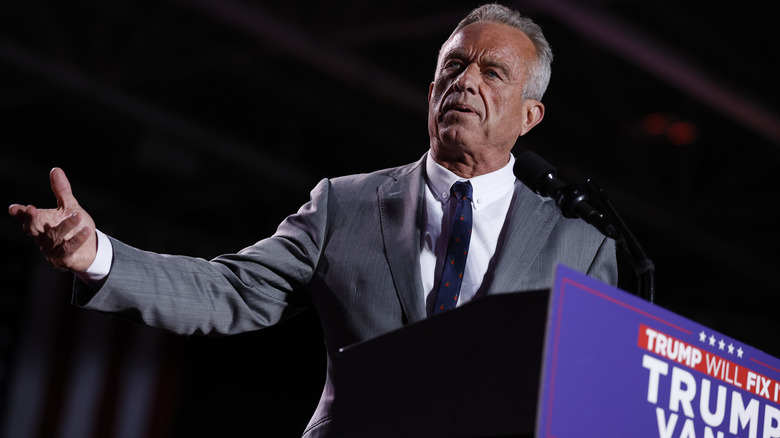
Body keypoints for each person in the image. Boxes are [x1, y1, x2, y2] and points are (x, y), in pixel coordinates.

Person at [9, 4, 617, 437]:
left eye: (492, 73)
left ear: (530, 115)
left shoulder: (581, 242)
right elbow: (230, 291)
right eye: (453, 66)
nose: (465, 83)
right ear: (431, 85)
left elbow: (593, 399)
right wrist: (96, 256)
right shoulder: (344, 206)